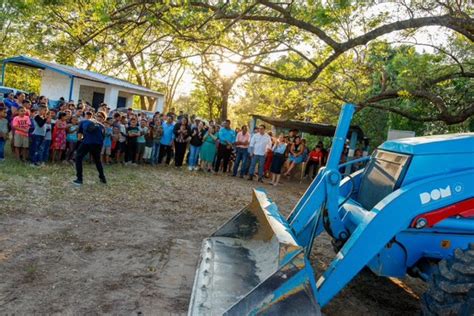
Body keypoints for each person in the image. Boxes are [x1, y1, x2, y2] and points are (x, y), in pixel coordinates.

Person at [74, 112, 107, 185]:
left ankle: (79, 179)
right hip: (98, 144)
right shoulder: (103, 126)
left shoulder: (84, 122)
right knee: (97, 161)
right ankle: (102, 178)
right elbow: (103, 137)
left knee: (78, 158)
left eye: (100, 117)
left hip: (87, 142)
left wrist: (80, 141)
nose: (99, 118)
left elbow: (79, 136)